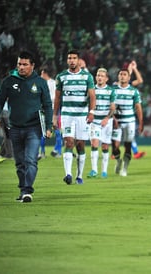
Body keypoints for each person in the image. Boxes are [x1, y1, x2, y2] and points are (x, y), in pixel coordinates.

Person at [0, 51, 53, 202]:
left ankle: (27, 191)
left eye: (25, 64)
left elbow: (47, 105)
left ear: (32, 66)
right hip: (15, 128)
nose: (21, 67)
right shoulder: (9, 81)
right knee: (19, 162)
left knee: (30, 160)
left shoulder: (40, 82)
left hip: (34, 128)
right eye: (19, 64)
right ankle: (23, 190)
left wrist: (49, 126)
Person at [53, 49, 96, 185]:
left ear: (78, 60)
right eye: (69, 58)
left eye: (74, 58)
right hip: (67, 115)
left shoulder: (87, 77)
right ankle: (68, 174)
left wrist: (91, 112)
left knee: (80, 145)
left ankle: (79, 175)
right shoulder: (61, 76)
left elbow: (92, 96)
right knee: (69, 142)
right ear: (67, 60)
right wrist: (55, 115)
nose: (71, 60)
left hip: (82, 116)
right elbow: (58, 97)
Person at [111, 68, 143, 177]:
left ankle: (124, 168)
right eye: (120, 74)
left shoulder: (134, 91)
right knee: (115, 147)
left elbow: (138, 107)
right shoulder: (113, 90)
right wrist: (113, 116)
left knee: (127, 145)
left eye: (125, 74)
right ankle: (118, 160)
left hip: (130, 121)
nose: (122, 76)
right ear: (118, 76)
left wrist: (141, 122)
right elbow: (110, 106)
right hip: (117, 122)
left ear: (129, 78)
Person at [87, 68, 115, 179]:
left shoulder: (111, 90)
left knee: (105, 145)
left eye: (102, 76)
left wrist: (107, 118)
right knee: (94, 143)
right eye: (98, 75)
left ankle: (104, 171)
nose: (99, 77)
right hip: (94, 121)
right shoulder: (91, 89)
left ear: (106, 78)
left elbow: (113, 108)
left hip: (107, 122)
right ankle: (94, 170)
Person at [40, 67, 62, 158]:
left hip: (53, 110)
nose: (40, 76)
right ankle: (42, 152)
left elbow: (56, 97)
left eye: (41, 74)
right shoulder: (41, 83)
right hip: (44, 110)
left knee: (56, 131)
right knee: (43, 131)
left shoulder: (53, 83)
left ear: (45, 73)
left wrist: (45, 100)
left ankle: (58, 152)